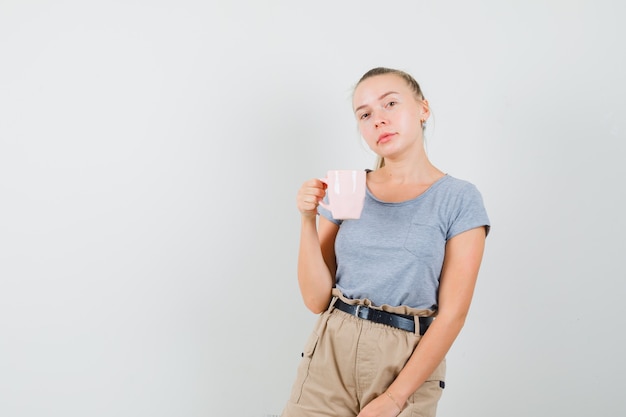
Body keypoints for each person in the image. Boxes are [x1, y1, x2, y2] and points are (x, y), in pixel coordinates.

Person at [281, 67, 490, 417]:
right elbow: (315, 299)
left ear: (423, 109)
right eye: (365, 114)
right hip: (330, 354)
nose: (378, 120)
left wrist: (394, 399)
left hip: (406, 362)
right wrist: (307, 219)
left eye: (390, 103)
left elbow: (453, 315)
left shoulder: (459, 198)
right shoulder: (347, 187)